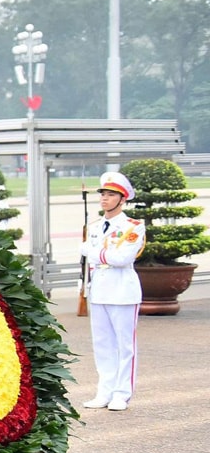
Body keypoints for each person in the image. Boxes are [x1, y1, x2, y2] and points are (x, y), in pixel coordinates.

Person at [81, 171, 146, 412]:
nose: (104, 199)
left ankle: (122, 393)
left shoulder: (133, 227)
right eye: (103, 194)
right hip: (99, 289)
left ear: (122, 199)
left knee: (124, 346)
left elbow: (122, 258)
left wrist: (93, 252)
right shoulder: (95, 226)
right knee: (102, 345)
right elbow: (96, 256)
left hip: (122, 291)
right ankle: (104, 390)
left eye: (111, 195)